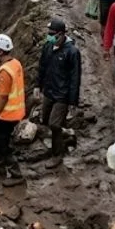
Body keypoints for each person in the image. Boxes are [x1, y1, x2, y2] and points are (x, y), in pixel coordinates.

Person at [36, 19, 80, 167]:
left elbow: (75, 77)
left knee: (54, 124)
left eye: (52, 34)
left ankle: (57, 155)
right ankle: (66, 136)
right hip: (49, 91)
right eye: (48, 33)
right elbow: (42, 66)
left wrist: (73, 101)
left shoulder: (72, 52)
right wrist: (38, 85)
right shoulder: (48, 47)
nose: (49, 36)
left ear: (61, 34)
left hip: (63, 94)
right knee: (46, 120)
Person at [0, 34, 25, 180]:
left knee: (2, 144)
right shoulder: (15, 63)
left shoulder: (5, 72)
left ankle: (16, 174)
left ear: (0, 51)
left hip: (6, 115)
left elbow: (3, 97)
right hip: (15, 112)